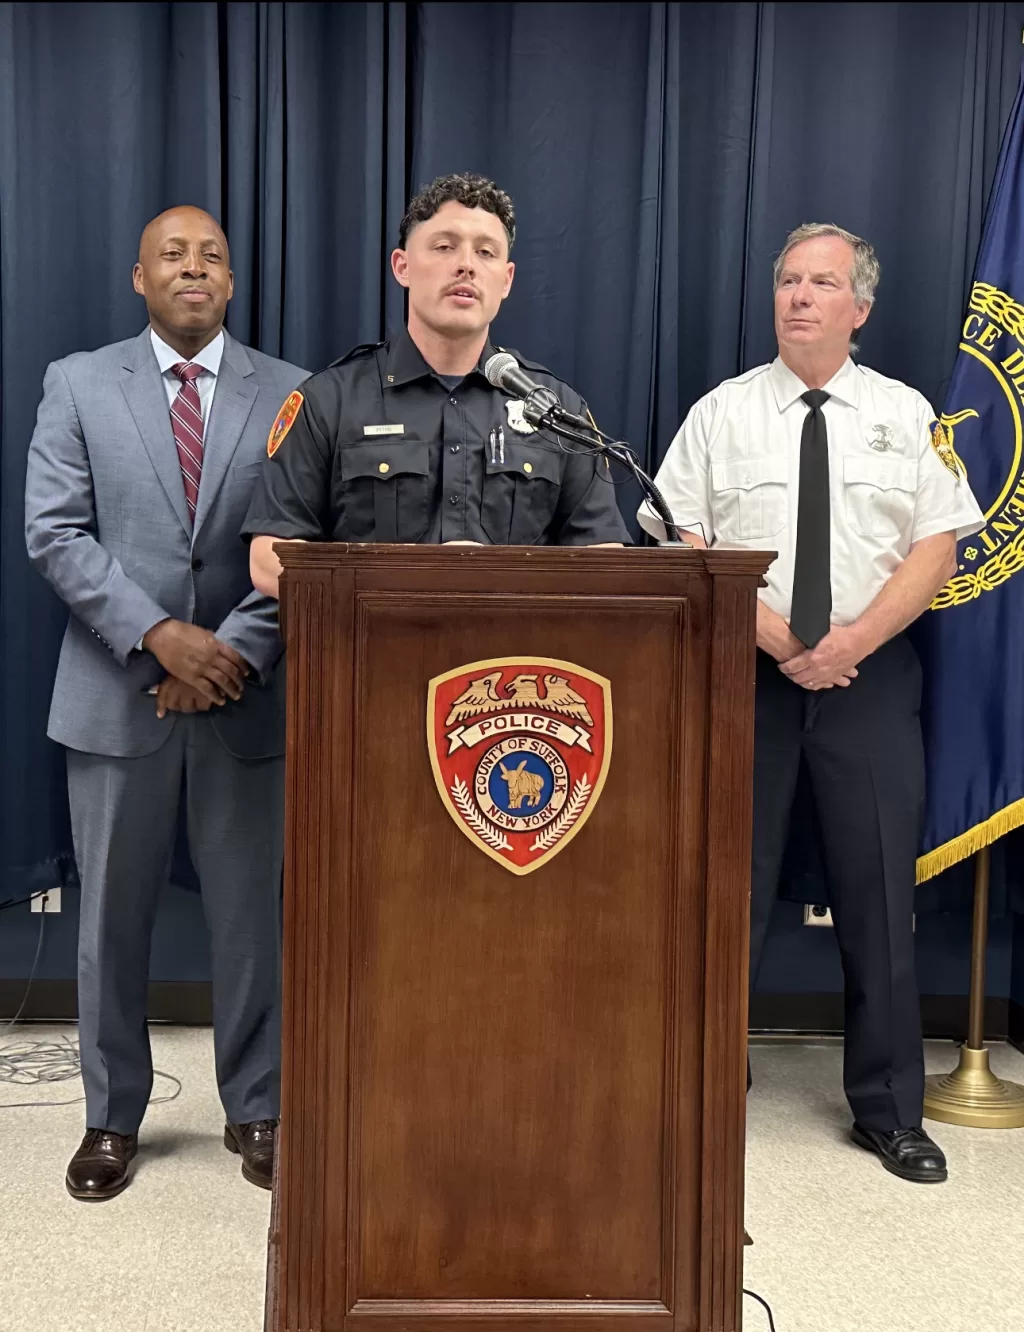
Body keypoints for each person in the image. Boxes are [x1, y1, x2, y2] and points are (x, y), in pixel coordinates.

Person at [640, 222, 983, 1184]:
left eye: (821, 283)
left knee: (879, 901)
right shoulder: (722, 413)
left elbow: (936, 547)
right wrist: (778, 639)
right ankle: (704, 1094)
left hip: (869, 680)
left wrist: (850, 644)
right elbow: (680, 538)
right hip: (744, 677)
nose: (798, 297)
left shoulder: (905, 412)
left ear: (859, 308)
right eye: (788, 280)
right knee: (723, 894)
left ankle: (890, 1111)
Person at [24, 206, 307, 1200]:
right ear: (139, 278)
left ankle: (257, 1106)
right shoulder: (77, 382)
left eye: (213, 256)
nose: (195, 268)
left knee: (252, 923)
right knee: (110, 917)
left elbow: (304, 548)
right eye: (173, 255)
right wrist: (159, 638)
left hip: (245, 697)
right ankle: (110, 1117)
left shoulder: (292, 395)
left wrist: (226, 653)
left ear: (231, 281)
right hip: (115, 696)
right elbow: (54, 534)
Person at [243, 172, 628, 592]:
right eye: (445, 247)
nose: (466, 264)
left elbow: (604, 559)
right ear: (402, 267)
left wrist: (496, 584)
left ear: (507, 280)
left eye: (486, 252)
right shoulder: (328, 401)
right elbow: (268, 559)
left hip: (512, 652)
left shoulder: (557, 410)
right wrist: (411, 584)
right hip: (370, 649)